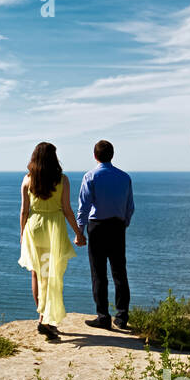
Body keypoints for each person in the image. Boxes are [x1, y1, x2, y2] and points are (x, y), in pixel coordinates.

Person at [18, 142, 85, 339]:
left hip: (34, 227)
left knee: (37, 273)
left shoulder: (28, 179)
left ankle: (42, 317)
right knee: (52, 274)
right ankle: (44, 320)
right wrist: (78, 233)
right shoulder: (62, 180)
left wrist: (22, 234)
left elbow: (24, 211)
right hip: (53, 228)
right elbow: (67, 209)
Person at [76, 139, 134, 331]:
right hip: (117, 227)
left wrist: (80, 232)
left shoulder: (90, 177)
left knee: (98, 273)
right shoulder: (125, 177)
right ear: (112, 155)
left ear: (95, 156)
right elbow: (130, 207)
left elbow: (83, 207)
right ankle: (122, 315)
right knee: (119, 271)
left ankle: (103, 316)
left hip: (97, 227)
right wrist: (123, 224)